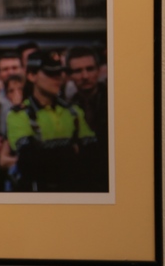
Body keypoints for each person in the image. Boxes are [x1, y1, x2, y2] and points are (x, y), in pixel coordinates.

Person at [6, 52, 99, 192]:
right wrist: (73, 150)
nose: (58, 79)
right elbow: (29, 161)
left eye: (60, 73)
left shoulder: (73, 111)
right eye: (50, 74)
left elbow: (93, 154)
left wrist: (46, 152)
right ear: (32, 76)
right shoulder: (19, 114)